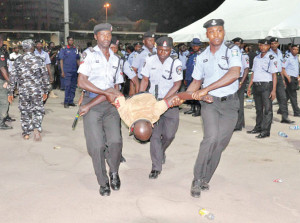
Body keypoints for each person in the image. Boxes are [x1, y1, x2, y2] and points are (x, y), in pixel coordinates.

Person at [174, 19, 242, 198]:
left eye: (219, 31)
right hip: (210, 103)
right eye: (212, 32)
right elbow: (196, 82)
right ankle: (197, 179)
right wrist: (186, 96)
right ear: (207, 35)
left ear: (223, 32)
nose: (216, 35)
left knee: (220, 144)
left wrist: (206, 88)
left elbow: (234, 73)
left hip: (230, 104)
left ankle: (206, 178)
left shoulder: (232, 50)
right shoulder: (201, 56)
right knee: (210, 139)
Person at [77, 23, 124, 197]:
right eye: (102, 35)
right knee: (96, 146)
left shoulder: (117, 59)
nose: (106, 38)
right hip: (93, 104)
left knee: (116, 142)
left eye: (108, 35)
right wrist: (105, 92)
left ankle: (114, 171)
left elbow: (117, 86)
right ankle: (103, 181)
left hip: (111, 105)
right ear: (96, 36)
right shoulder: (88, 55)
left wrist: (115, 95)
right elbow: (82, 82)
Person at [139, 36, 183, 179]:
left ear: (171, 50)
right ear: (156, 48)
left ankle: (161, 151)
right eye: (160, 50)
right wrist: (140, 96)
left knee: (169, 135)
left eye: (166, 50)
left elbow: (177, 84)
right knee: (155, 136)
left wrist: (164, 101)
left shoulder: (175, 63)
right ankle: (156, 167)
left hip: (170, 104)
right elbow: (145, 79)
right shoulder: (149, 60)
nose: (163, 53)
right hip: (153, 103)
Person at [7, 39, 50, 140]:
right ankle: (36, 128)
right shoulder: (39, 60)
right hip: (37, 91)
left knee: (25, 111)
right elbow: (45, 76)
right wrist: (46, 90)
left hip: (23, 91)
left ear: (23, 48)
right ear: (32, 47)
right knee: (38, 110)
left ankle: (26, 133)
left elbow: (13, 77)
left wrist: (10, 92)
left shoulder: (18, 60)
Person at [247, 39, 277, 138]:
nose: (262, 47)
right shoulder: (256, 58)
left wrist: (273, 90)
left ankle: (265, 131)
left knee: (267, 109)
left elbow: (274, 75)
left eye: (264, 45)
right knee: (258, 109)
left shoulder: (272, 57)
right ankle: (258, 127)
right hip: (256, 85)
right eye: (260, 45)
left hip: (266, 86)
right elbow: (254, 73)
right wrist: (250, 86)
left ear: (268, 46)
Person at [269, 37, 294, 123]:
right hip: (270, 76)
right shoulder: (268, 53)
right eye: (272, 43)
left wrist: (283, 79)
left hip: (279, 77)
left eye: (275, 43)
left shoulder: (279, 52)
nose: (273, 45)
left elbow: (281, 67)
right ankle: (269, 118)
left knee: (283, 97)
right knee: (269, 98)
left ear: (278, 44)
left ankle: (285, 117)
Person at [232, 37, 250, 131]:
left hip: (240, 79)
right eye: (235, 44)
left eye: (239, 44)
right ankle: (240, 122)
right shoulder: (233, 54)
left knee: (239, 102)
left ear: (242, 45)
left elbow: (246, 70)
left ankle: (238, 125)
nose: (237, 46)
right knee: (234, 102)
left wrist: (241, 82)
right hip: (233, 79)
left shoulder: (243, 55)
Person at [59, 36, 80, 108]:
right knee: (67, 86)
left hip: (74, 70)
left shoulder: (75, 49)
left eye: (72, 40)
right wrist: (62, 71)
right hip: (67, 71)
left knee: (73, 87)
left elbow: (78, 59)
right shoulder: (64, 49)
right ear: (67, 41)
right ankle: (66, 102)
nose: (71, 41)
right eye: (69, 40)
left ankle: (71, 101)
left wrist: (80, 69)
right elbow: (61, 60)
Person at [184, 38, 202, 116]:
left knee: (197, 94)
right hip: (189, 76)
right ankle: (192, 108)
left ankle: (198, 109)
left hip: (197, 78)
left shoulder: (201, 55)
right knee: (190, 94)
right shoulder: (190, 54)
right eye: (194, 46)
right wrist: (186, 78)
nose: (195, 47)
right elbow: (188, 67)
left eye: (196, 46)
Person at [282, 44, 300, 116]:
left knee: (287, 95)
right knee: (293, 95)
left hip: (294, 77)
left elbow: (295, 69)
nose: (295, 51)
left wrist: (298, 77)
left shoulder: (296, 57)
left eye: (297, 50)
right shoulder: (288, 57)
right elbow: (282, 68)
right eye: (294, 49)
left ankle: (281, 109)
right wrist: (287, 77)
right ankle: (297, 112)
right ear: (290, 49)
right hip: (289, 77)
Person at [0, 34, 12, 130]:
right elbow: (2, 68)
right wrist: (8, 80)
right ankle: (1, 122)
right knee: (4, 102)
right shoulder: (1, 53)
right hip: (1, 81)